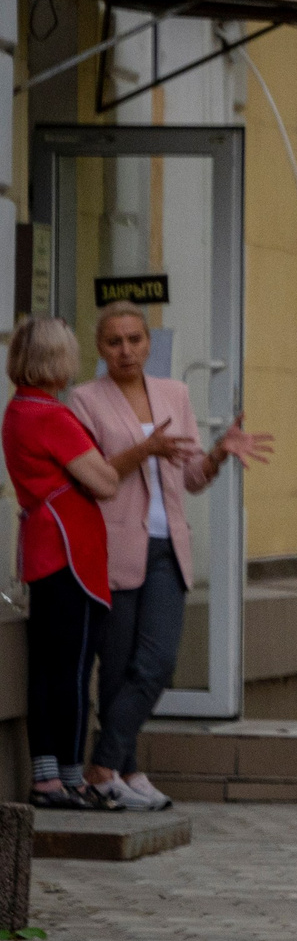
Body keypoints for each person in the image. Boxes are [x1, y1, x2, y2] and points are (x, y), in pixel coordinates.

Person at [68, 303, 273, 809]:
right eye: (114, 342)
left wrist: (219, 454)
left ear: (148, 343)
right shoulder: (84, 400)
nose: (126, 350)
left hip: (168, 548)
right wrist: (142, 451)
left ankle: (101, 765)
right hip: (115, 547)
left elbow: (190, 478)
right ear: (101, 349)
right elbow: (92, 478)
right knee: (116, 669)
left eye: (135, 339)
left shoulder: (174, 394)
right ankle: (127, 772)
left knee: (158, 662)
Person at [5, 318, 119, 808]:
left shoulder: (17, 410)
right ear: (55, 361)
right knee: (71, 669)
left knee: (50, 667)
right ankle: (66, 777)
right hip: (67, 549)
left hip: (44, 546)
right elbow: (107, 482)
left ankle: (51, 774)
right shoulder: (51, 415)